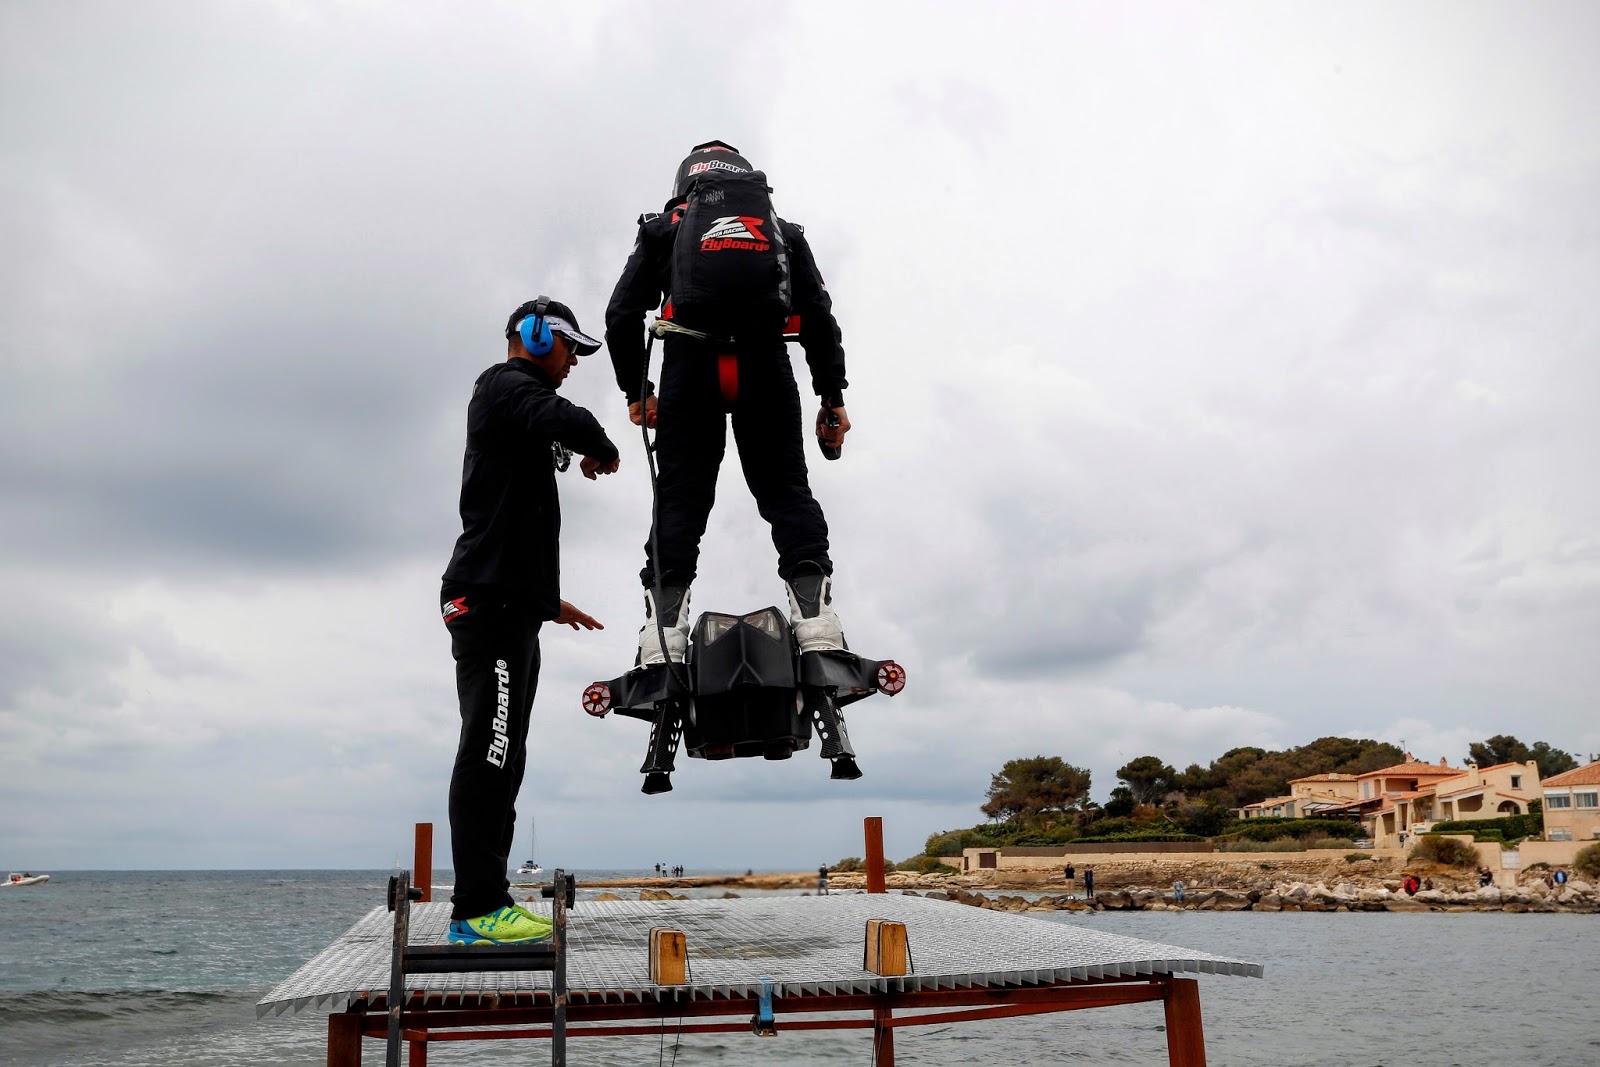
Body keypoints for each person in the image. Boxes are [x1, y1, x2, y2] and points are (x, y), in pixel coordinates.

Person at [605, 141, 851, 665]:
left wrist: (637, 392)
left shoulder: (662, 231)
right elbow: (820, 320)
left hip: (689, 367)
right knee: (786, 491)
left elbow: (620, 315)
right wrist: (832, 399)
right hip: (765, 364)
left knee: (679, 501)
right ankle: (818, 625)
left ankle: (663, 636)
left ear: (684, 185)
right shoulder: (783, 234)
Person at [440, 297, 620, 945]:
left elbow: (513, 520)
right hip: (487, 603)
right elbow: (562, 416)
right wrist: (602, 446)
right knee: (488, 751)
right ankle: (476, 909)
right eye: (569, 346)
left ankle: (488, 902)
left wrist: (550, 601)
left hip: (512, 604)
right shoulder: (504, 384)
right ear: (535, 334)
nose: (573, 361)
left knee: (505, 754)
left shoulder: (516, 408)